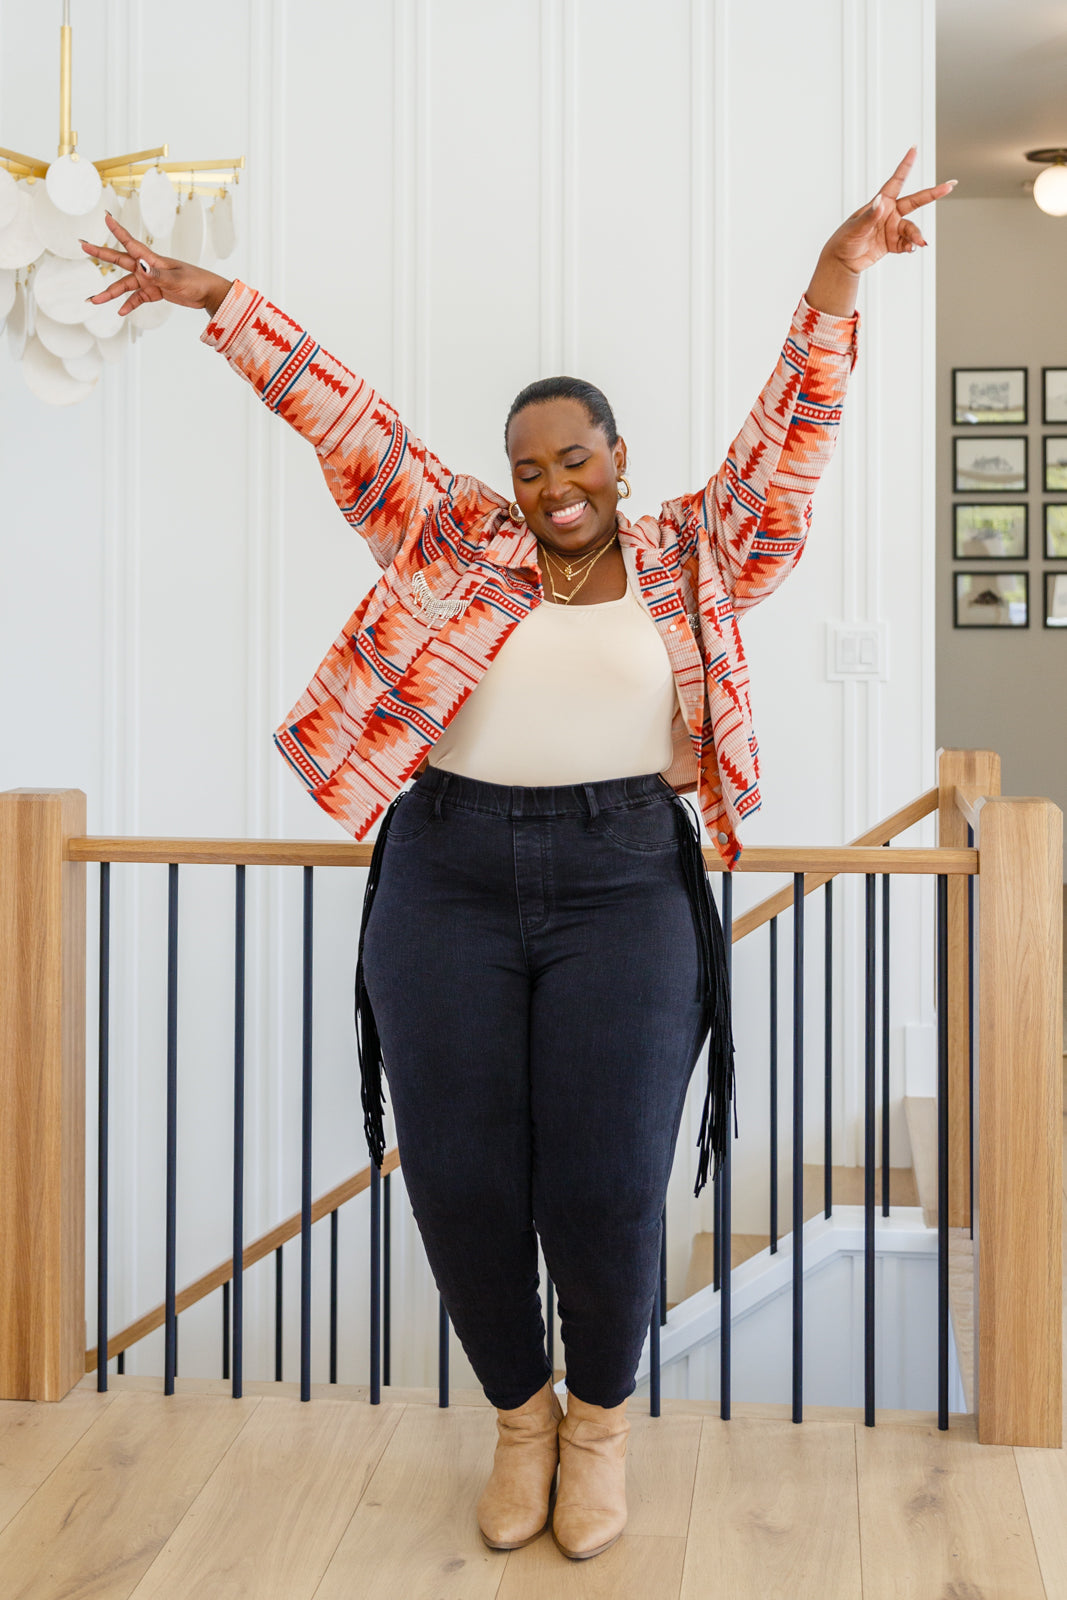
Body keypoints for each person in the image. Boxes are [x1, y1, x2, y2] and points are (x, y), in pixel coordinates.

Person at [81, 146, 953, 1564]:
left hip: (628, 879)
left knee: (605, 1177)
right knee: (462, 1174)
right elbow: (339, 410)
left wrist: (836, 271)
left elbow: (793, 436)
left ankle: (598, 1426)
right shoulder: (447, 537)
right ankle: (519, 1417)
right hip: (447, 873)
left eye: (577, 459)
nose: (555, 486)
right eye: (531, 467)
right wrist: (214, 298)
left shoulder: (698, 553)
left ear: (620, 459)